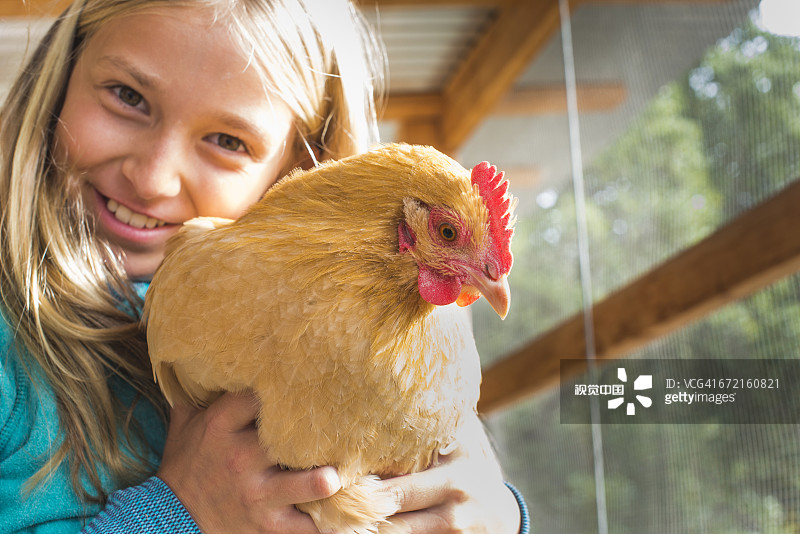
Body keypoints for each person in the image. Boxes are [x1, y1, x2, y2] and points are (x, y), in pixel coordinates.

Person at [0, 0, 530, 532]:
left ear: (299, 168)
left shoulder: (398, 346)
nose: (153, 178)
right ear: (61, 74)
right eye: (128, 96)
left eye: (228, 141)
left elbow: (454, 490)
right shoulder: (12, 350)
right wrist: (176, 513)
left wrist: (494, 515)